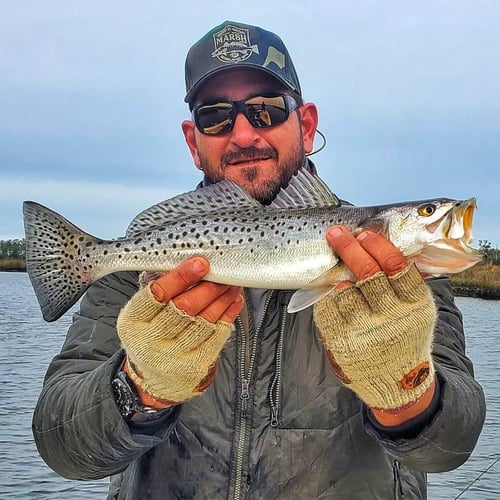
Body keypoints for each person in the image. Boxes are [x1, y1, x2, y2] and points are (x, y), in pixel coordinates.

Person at [33, 20, 485, 499]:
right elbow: (61, 447)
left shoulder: (405, 278)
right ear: (193, 141)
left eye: (266, 110)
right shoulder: (136, 279)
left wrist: (405, 389)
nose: (244, 133)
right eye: (216, 117)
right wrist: (141, 387)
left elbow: (451, 449)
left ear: (306, 125)